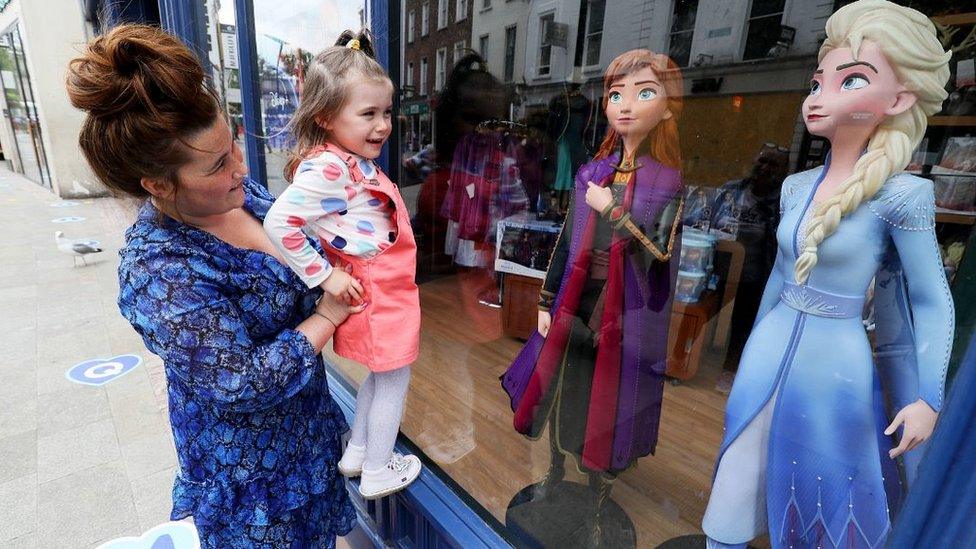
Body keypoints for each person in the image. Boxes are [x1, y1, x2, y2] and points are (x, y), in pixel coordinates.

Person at [66, 24, 360, 547]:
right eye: (220, 164)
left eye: (235, 147)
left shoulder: (237, 195)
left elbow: (297, 244)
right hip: (251, 482)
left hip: (306, 437)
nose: (241, 169)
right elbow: (239, 382)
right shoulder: (159, 269)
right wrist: (327, 317)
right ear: (157, 185)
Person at [702, 2, 954, 547]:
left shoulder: (904, 196)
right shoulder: (796, 186)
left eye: (851, 79)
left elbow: (933, 299)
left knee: (823, 499)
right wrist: (746, 352)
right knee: (733, 488)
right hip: (768, 348)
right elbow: (776, 278)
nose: (818, 94)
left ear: (900, 99)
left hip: (835, 368)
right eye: (818, 81)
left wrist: (928, 398)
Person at [502, 49, 684, 542]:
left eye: (644, 93)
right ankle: (556, 474)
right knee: (563, 387)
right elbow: (566, 239)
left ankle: (600, 502)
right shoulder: (591, 172)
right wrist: (545, 300)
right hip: (577, 300)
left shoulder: (667, 181)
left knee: (610, 400)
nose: (625, 106)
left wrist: (615, 213)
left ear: (668, 108)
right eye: (615, 95)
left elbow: (660, 253)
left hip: (625, 311)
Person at [263, 30, 423, 499]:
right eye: (368, 114)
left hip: (382, 285)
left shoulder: (344, 160)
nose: (383, 125)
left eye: (386, 112)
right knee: (395, 377)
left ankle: (357, 452)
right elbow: (279, 222)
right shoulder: (332, 167)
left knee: (383, 371)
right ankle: (378, 470)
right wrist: (323, 274)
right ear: (326, 118)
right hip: (379, 287)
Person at [711, 144, 790, 394]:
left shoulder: (782, 202)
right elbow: (705, 219)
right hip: (717, 269)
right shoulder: (731, 190)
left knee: (743, 322)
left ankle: (730, 369)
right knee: (703, 312)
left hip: (756, 274)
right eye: (762, 161)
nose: (765, 168)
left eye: (773, 165)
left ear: (783, 172)